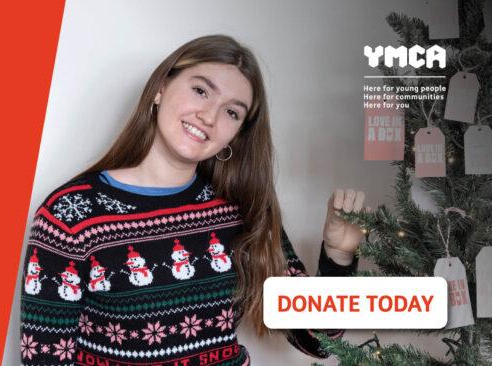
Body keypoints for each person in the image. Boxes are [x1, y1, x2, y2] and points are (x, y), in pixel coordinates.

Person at [19, 34, 368, 366]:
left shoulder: (243, 209)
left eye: (232, 112)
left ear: (237, 134)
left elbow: (319, 341)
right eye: (201, 90)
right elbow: (45, 358)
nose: (209, 116)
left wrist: (339, 255)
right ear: (160, 89)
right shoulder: (71, 213)